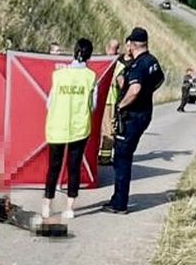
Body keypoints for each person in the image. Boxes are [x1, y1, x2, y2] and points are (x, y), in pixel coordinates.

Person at [103, 27, 163, 214]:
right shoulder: (152, 61)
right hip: (144, 113)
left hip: (132, 116)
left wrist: (121, 105)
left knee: (122, 158)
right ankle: (117, 197)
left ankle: (119, 203)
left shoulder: (139, 65)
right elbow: (158, 80)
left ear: (132, 45)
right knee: (123, 156)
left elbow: (135, 89)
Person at [42, 38, 97, 220]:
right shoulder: (91, 77)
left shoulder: (58, 75)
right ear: (89, 55)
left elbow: (49, 102)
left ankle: (47, 205)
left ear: (74, 52)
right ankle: (69, 208)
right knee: (73, 167)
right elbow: (93, 105)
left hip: (57, 125)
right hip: (78, 127)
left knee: (53, 167)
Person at [99, 39, 123, 165]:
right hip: (109, 102)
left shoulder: (99, 62)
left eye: (118, 48)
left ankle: (101, 154)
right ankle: (105, 158)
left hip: (103, 100)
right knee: (109, 131)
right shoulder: (117, 65)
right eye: (115, 48)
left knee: (103, 130)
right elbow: (122, 84)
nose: (117, 51)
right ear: (107, 48)